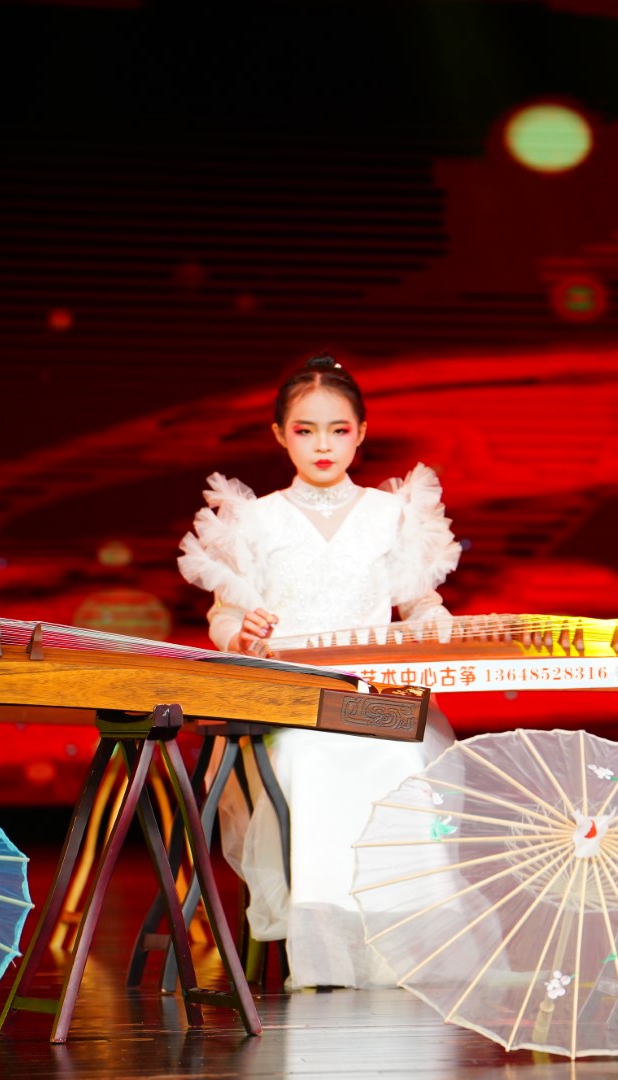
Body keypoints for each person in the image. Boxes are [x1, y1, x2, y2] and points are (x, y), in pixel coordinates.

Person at [178, 354, 462, 988]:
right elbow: (223, 619)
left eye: (339, 430)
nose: (323, 445)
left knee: (400, 759)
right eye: (306, 431)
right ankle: (326, 954)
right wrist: (242, 633)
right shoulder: (256, 518)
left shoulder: (391, 514)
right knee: (310, 763)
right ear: (280, 435)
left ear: (361, 433)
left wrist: (434, 623)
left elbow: (420, 603)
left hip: (374, 702)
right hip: (290, 706)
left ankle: (408, 950)